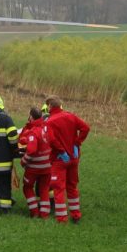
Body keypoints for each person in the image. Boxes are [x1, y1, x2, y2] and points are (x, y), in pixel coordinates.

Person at [45, 96, 90, 224]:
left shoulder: (50, 122)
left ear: (50, 107)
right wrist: (76, 143)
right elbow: (86, 128)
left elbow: (52, 140)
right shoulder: (71, 116)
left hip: (60, 160)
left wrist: (61, 151)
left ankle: (61, 219)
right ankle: (76, 215)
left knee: (58, 189)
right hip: (73, 158)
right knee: (72, 187)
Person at [20, 107, 52, 218]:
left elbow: (32, 150)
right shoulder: (45, 128)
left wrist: (23, 161)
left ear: (31, 117)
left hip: (34, 167)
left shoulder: (34, 131)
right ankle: (44, 214)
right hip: (47, 167)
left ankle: (34, 212)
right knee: (44, 189)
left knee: (27, 187)